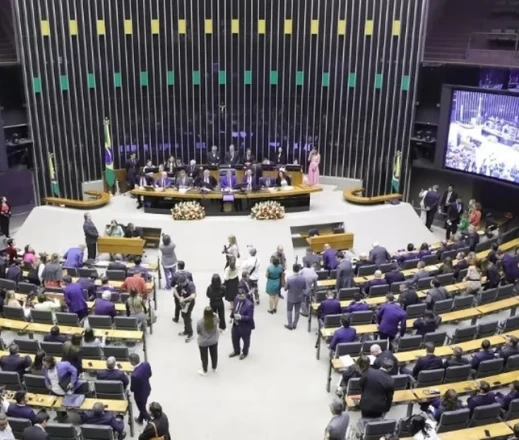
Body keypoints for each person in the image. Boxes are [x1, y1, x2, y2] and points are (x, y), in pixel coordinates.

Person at [229, 290, 255, 360]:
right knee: (234, 339)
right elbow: (234, 309)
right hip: (236, 324)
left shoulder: (249, 305)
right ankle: (236, 351)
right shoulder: (236, 299)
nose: (240, 297)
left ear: (245, 295)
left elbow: (250, 317)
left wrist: (241, 317)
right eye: (239, 296)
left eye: (242, 296)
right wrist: (231, 317)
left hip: (245, 326)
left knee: (246, 341)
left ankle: (245, 353)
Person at [129, 353, 152, 425]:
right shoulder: (146, 364)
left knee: (142, 409)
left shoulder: (134, 375)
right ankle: (140, 420)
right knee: (143, 406)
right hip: (147, 389)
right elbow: (150, 374)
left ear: (133, 362)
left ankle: (151, 422)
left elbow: (132, 389)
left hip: (139, 395)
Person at [196, 306, 219, 376]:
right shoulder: (215, 320)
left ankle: (205, 370)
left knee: (204, 357)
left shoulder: (200, 322)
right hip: (214, 341)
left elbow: (198, 331)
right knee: (214, 355)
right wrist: (215, 315)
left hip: (203, 342)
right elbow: (218, 319)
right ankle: (214, 368)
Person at [173, 274, 196, 342]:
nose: (180, 284)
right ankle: (186, 330)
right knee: (183, 315)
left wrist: (184, 299)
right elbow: (174, 289)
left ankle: (190, 333)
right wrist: (179, 297)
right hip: (183, 304)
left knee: (187, 317)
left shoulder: (190, 285)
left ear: (185, 281)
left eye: (181, 283)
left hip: (189, 303)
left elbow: (193, 296)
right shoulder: (180, 283)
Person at [284, 263, 306, 330]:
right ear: (299, 269)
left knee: (289, 311)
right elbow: (304, 287)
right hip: (299, 297)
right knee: (297, 311)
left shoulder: (289, 278)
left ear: (293, 269)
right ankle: (295, 324)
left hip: (291, 297)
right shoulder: (303, 278)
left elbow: (285, 289)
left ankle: (290, 325)